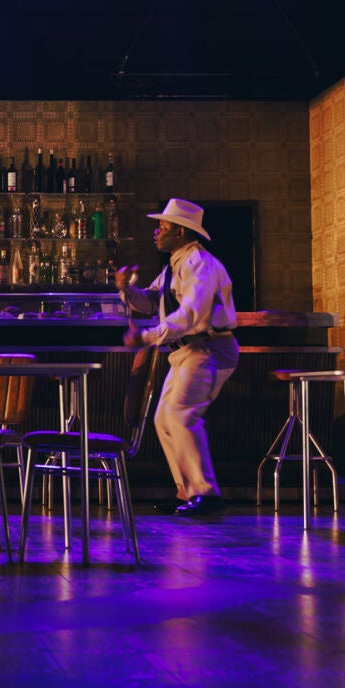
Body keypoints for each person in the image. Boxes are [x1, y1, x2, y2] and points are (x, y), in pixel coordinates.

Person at [116, 198, 239, 517]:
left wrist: (148, 336)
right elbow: (152, 301)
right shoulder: (174, 264)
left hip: (208, 348)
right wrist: (127, 291)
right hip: (186, 352)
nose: (156, 232)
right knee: (164, 418)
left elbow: (191, 315)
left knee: (182, 415)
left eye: (164, 226)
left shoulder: (199, 263)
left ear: (181, 232)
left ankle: (206, 494)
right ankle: (187, 492)